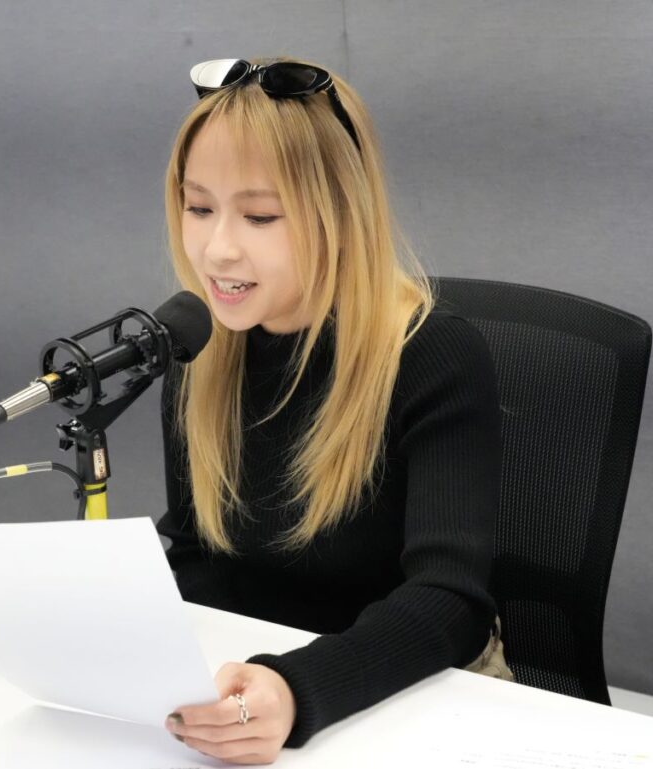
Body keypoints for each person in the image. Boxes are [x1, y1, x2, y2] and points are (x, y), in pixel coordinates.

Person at [156, 58, 503, 764]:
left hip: (416, 699)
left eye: (260, 216)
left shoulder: (431, 356)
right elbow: (197, 556)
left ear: (339, 214)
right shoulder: (199, 350)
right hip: (256, 692)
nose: (218, 249)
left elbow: (451, 602)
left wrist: (294, 689)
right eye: (199, 207)